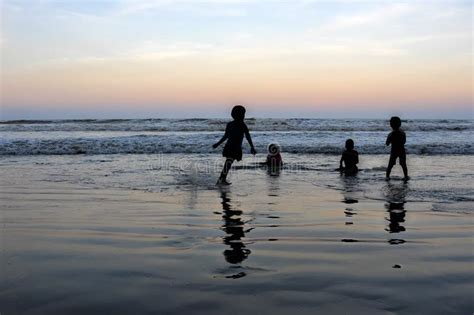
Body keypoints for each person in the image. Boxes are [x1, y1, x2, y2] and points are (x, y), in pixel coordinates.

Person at [212, 105, 256, 185]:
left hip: (230, 146)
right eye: (242, 114)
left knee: (228, 162)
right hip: (234, 147)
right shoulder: (242, 125)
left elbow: (226, 136)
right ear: (238, 115)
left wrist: (217, 144)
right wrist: (252, 147)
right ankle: (221, 180)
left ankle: (221, 179)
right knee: (228, 162)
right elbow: (247, 136)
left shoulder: (231, 124)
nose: (243, 116)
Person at [385, 116, 409, 180]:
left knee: (390, 165)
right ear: (400, 124)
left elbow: (387, 143)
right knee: (403, 164)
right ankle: (406, 176)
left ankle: (387, 177)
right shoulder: (403, 133)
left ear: (391, 125)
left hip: (394, 151)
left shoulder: (391, 134)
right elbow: (404, 142)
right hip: (402, 150)